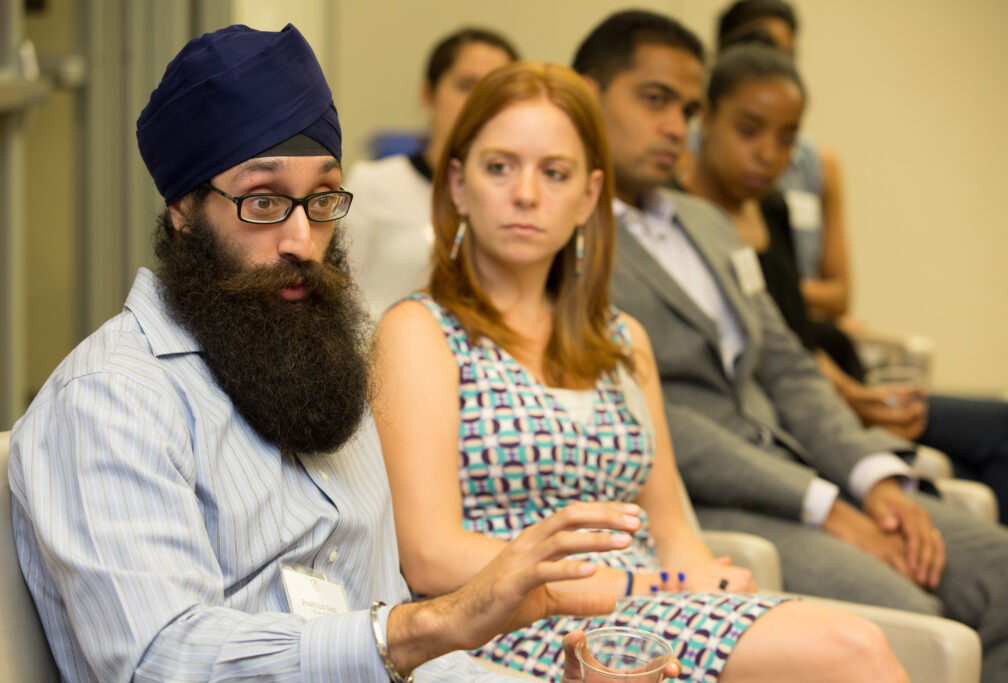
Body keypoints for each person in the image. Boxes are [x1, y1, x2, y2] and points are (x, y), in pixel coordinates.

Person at [6, 24, 675, 683]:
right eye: (264, 200)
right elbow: (162, 661)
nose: (302, 237)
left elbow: (404, 657)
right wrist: (429, 621)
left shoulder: (323, 375)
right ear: (182, 208)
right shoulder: (111, 399)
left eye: (322, 199)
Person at [371, 59, 907, 683]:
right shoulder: (420, 331)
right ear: (459, 186)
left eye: (554, 173)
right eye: (499, 167)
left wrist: (708, 582)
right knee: (852, 649)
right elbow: (431, 556)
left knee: (851, 646)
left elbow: (671, 526)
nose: (525, 193)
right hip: (509, 626)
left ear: (588, 196)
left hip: (651, 611)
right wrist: (650, 581)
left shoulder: (623, 340)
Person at [571, 9, 1008, 683]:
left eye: (688, 107)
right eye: (655, 98)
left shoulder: (707, 221)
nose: (676, 127)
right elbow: (658, 419)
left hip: (814, 472)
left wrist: (876, 481)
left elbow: (788, 367)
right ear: (586, 92)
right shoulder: (574, 238)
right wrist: (824, 503)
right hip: (720, 503)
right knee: (918, 616)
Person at [712, 0, 1008, 533]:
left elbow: (796, 338)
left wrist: (858, 395)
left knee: (989, 454)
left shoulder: (773, 206)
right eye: (750, 129)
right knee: (1001, 438)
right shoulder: (694, 220)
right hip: (801, 406)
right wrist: (852, 401)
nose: (769, 153)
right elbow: (777, 357)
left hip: (830, 377)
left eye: (786, 137)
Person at [346, 27, 519, 318]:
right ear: (428, 94)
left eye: (495, 90)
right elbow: (334, 294)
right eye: (466, 85)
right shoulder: (374, 183)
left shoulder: (519, 196)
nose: (481, 102)